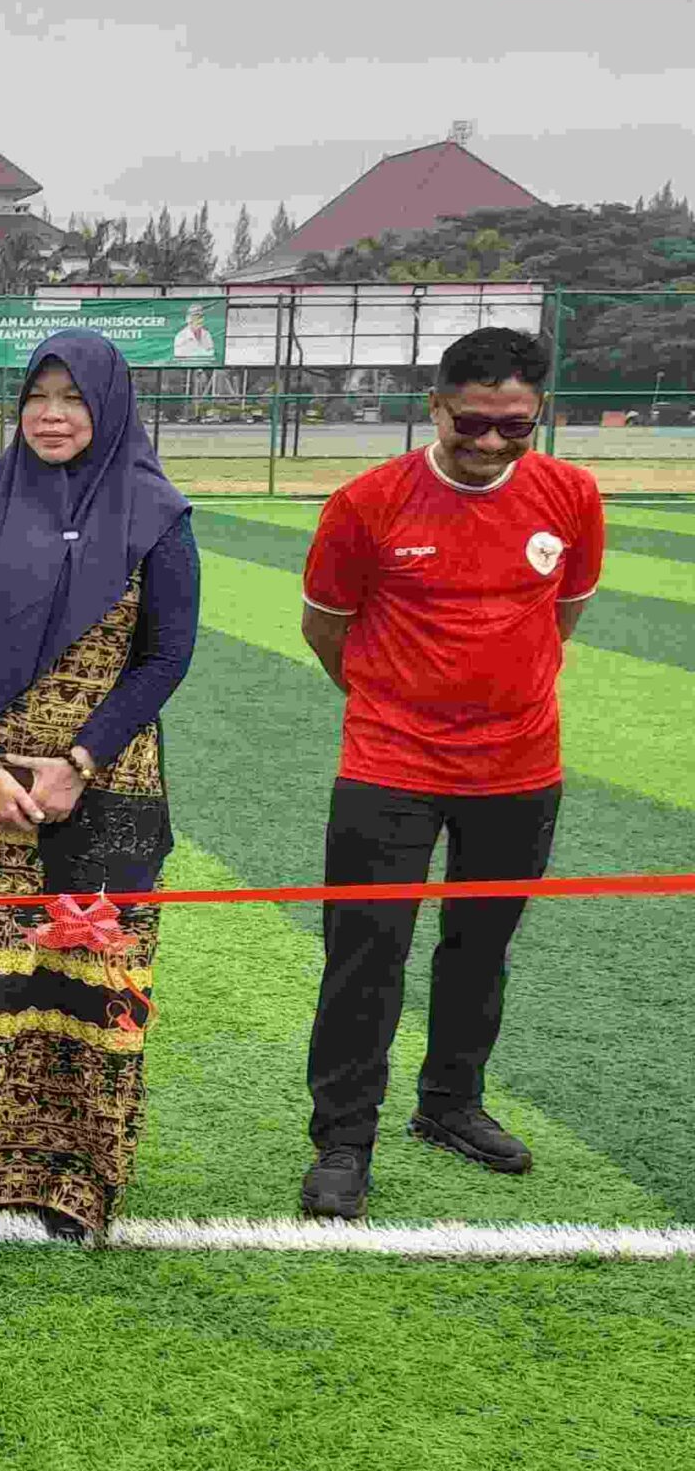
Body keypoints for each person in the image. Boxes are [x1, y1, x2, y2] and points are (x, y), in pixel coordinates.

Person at [0, 328, 197, 1241]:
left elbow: (165, 657)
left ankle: (70, 1178)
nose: (53, 415)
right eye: (39, 397)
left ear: (108, 409)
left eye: (74, 399)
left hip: (101, 790)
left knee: (82, 973)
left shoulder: (156, 516)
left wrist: (78, 763)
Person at [296, 326, 602, 1220]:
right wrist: (400, 705)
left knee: (481, 947)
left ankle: (450, 1106)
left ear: (539, 414)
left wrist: (502, 698)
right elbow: (326, 629)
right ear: (436, 406)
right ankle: (344, 1140)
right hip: (389, 765)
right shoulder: (368, 501)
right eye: (474, 422)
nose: (493, 442)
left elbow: (565, 610)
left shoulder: (571, 495)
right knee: (366, 956)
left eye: (517, 426)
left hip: (520, 769)